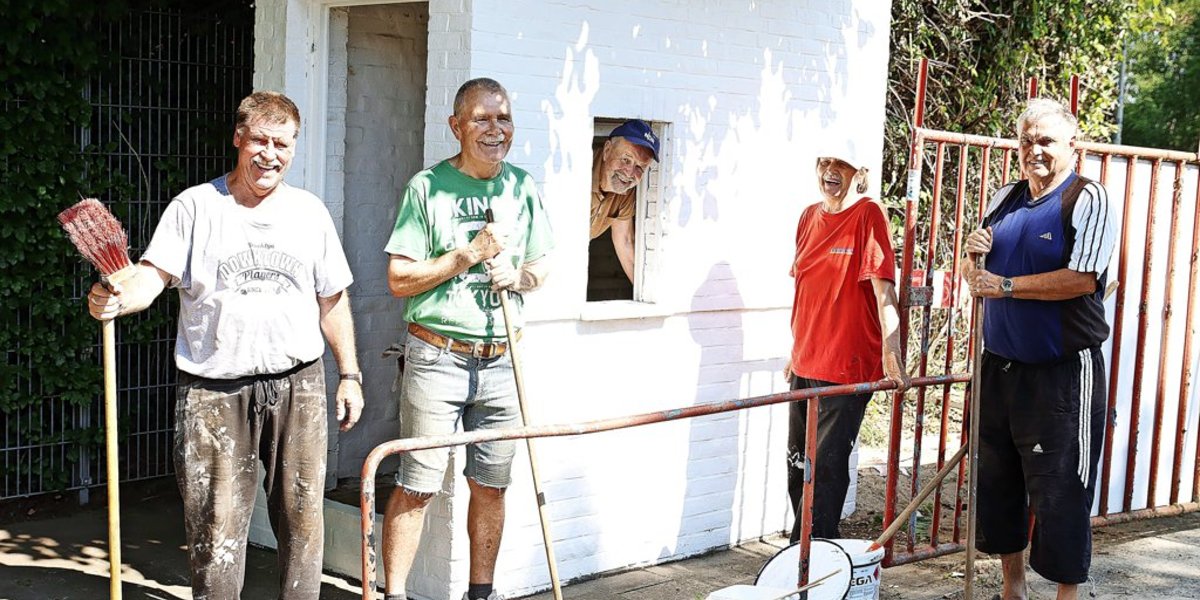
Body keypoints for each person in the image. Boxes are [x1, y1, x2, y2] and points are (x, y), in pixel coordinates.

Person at [86, 91, 364, 599]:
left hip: (298, 385)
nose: (270, 154)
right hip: (214, 391)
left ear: (294, 147)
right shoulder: (195, 207)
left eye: (282, 144)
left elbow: (332, 299)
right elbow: (152, 277)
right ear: (238, 138)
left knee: (304, 523)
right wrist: (117, 297)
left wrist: (349, 374)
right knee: (216, 532)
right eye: (259, 140)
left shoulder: (309, 212)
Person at [380, 78, 554, 600]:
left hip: (502, 358)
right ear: (456, 126)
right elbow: (398, 279)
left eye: (503, 118)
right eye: (481, 119)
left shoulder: (522, 187)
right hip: (438, 357)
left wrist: (518, 277)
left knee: (492, 485)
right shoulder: (427, 188)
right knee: (418, 484)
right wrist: (468, 254)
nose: (495, 129)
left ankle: (481, 594)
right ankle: (394, 595)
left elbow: (542, 265)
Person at [965, 97, 1115, 600]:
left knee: (1060, 488)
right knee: (998, 481)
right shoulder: (1005, 197)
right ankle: (1014, 589)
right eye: (1026, 140)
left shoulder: (1086, 198)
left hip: (1061, 371)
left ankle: (1065, 596)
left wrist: (1006, 286)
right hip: (1000, 367)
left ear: (1073, 145)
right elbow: (977, 271)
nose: (1035, 150)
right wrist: (972, 260)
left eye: (1046, 140)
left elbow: (1082, 278)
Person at [787, 152, 909, 542]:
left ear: (859, 174)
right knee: (798, 467)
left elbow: (884, 292)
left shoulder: (868, 215)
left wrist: (892, 353)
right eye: (824, 162)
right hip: (806, 360)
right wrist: (794, 351)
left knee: (825, 471)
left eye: (841, 165)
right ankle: (810, 549)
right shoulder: (808, 217)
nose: (830, 172)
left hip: (846, 366)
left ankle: (807, 555)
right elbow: (806, 290)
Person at [589, 119, 659, 282]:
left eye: (639, 167)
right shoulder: (579, 171)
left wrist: (645, 290)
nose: (629, 173)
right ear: (607, 150)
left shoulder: (625, 191)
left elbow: (624, 241)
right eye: (626, 160)